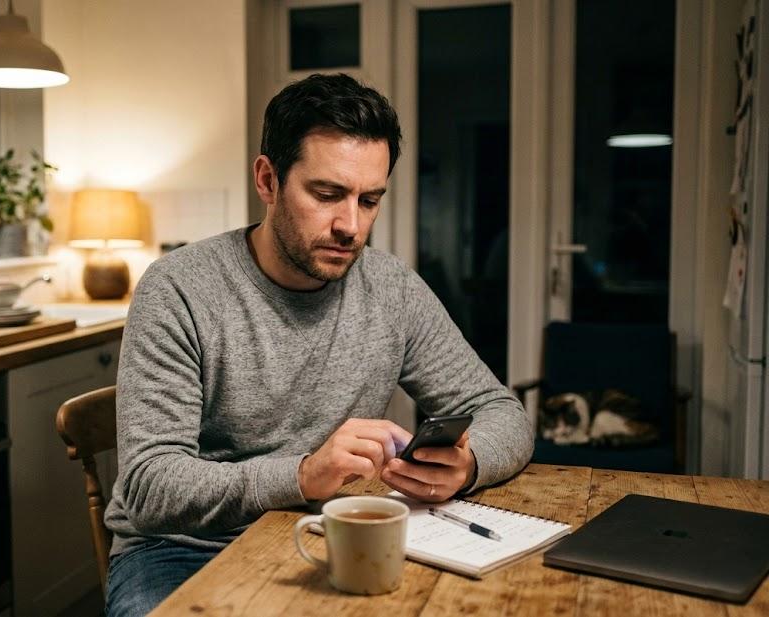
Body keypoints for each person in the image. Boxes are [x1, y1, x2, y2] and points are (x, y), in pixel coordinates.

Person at [103, 73, 533, 616]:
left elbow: (501, 412)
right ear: (268, 179)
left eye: (370, 199)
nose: (351, 225)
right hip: (181, 551)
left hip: (335, 532)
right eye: (327, 194)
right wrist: (304, 475)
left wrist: (468, 466)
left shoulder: (392, 289)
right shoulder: (179, 289)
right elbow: (149, 485)